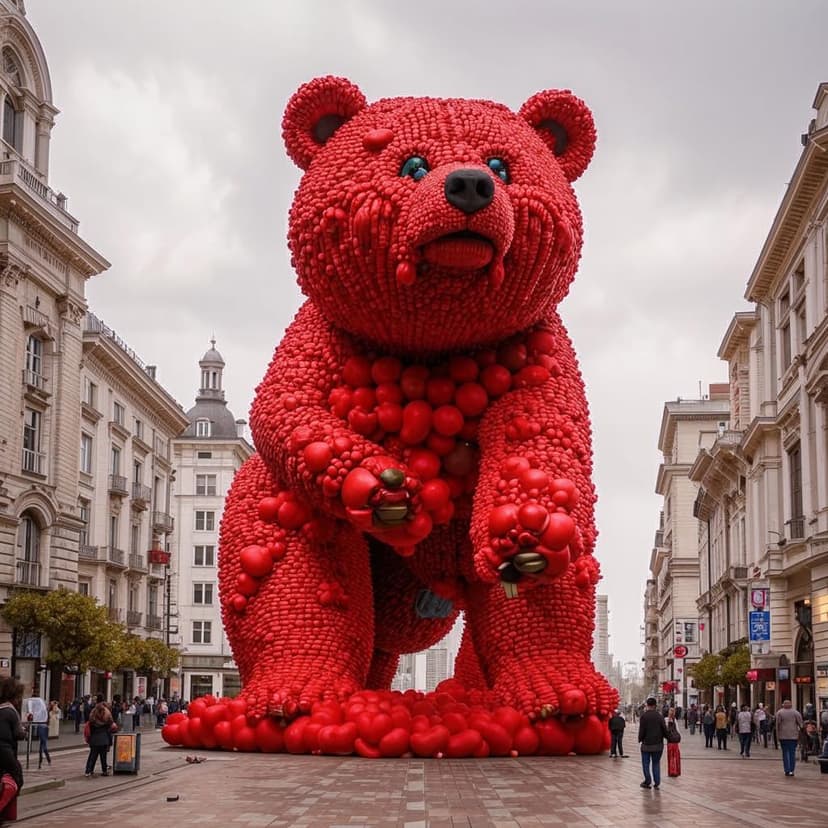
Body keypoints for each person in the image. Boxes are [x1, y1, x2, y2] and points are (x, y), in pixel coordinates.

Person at [0, 677, 25, 821]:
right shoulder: (10, 710)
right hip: (5, 749)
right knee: (17, 778)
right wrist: (24, 730)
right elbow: (18, 734)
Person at [638, 697, 668, 789]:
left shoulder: (644, 716)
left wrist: (640, 739)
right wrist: (668, 738)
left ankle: (647, 781)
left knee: (645, 764)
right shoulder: (660, 716)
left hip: (646, 745)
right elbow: (664, 730)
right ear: (655, 705)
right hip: (658, 745)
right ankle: (657, 782)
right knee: (656, 763)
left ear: (647, 705)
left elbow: (642, 730)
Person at [84, 695, 116, 777]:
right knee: (103, 755)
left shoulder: (93, 711)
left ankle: (89, 770)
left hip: (94, 736)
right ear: (103, 700)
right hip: (104, 735)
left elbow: (90, 720)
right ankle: (104, 771)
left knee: (93, 755)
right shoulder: (106, 711)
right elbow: (111, 722)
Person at [775, 698, 803, 777]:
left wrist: (777, 736)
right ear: (791, 705)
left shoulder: (779, 712)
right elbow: (801, 724)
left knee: (785, 753)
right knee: (792, 753)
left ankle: (786, 770)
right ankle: (791, 770)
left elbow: (777, 725)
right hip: (793, 736)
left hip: (783, 736)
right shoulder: (795, 712)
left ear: (783, 705)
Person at [25, 696, 50, 769]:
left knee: (43, 746)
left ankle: (42, 761)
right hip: (43, 727)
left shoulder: (41, 711)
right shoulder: (42, 710)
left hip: (42, 728)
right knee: (43, 746)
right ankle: (43, 761)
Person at [666, 707, 682, 777]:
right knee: (676, 757)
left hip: (670, 742)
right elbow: (678, 731)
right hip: (675, 742)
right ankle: (676, 771)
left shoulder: (666, 720)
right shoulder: (674, 720)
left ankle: (671, 771)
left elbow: (665, 731)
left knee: (671, 757)